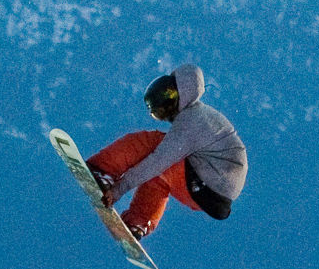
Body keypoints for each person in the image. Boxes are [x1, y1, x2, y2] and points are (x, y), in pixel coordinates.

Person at [87, 63, 247, 239]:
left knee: (152, 145)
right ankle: (138, 222)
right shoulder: (200, 117)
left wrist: (117, 190)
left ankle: (103, 171)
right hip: (208, 196)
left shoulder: (192, 120)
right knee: (160, 176)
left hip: (206, 183)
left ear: (183, 94)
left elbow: (158, 161)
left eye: (168, 97)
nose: (162, 110)